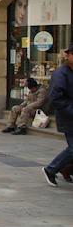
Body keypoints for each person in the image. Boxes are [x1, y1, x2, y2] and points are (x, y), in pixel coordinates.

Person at [42, 43, 73, 187]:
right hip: (69, 118)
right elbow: (56, 98)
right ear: (68, 56)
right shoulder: (61, 73)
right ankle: (51, 169)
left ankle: (66, 169)